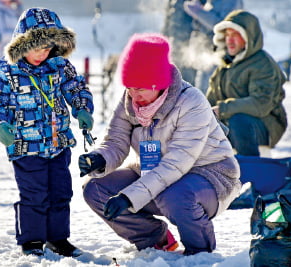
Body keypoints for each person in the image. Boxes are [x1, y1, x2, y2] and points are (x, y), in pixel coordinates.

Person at [79, 33, 241, 256]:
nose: (134, 96)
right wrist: (100, 159)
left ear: (160, 84)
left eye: (141, 88)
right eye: (130, 88)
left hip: (208, 175)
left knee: (173, 195)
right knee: (95, 188)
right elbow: (116, 141)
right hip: (154, 173)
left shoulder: (191, 102)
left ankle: (200, 252)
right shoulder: (131, 101)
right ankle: (155, 239)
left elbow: (176, 164)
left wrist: (129, 197)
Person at [0, 8, 94, 257]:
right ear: (22, 43)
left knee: (61, 192)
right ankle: (31, 241)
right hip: (25, 146)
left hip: (58, 142)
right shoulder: (4, 70)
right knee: (34, 195)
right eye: (36, 47)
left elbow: (76, 88)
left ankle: (58, 238)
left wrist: (82, 109)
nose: (42, 54)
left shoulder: (59, 66)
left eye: (47, 48)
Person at [206, 10, 288, 156]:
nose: (230, 40)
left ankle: (252, 169)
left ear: (248, 37)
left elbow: (261, 104)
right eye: (227, 35)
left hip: (264, 124)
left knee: (239, 121)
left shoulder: (262, 64)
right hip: (231, 125)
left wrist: (224, 108)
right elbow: (210, 100)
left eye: (235, 35)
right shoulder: (224, 66)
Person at [182, 0, 243, 93]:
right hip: (207, 53)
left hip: (220, 55)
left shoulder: (230, 1)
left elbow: (223, 25)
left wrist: (198, 12)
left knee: (209, 92)